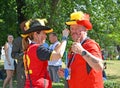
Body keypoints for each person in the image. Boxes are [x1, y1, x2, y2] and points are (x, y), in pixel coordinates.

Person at [58, 11, 104, 88]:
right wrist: (66, 72)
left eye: (77, 28)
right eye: (72, 28)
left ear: (85, 30)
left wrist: (82, 51)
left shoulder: (90, 45)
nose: (74, 31)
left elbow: (99, 67)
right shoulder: (73, 48)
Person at [21, 18, 69, 88]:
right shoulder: (37, 48)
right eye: (44, 33)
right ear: (35, 34)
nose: (46, 36)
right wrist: (64, 38)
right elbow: (58, 54)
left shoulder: (29, 48)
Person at [11, 21, 26, 88]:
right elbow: (13, 55)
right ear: (25, 28)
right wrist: (24, 54)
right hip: (22, 68)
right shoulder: (18, 40)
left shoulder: (35, 40)